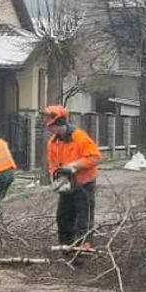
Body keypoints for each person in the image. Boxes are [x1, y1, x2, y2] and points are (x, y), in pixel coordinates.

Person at [44, 105, 102, 250]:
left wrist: (74, 166)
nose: (49, 129)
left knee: (84, 216)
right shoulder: (52, 143)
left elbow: (95, 157)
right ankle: (66, 246)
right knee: (63, 216)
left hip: (84, 183)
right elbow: (53, 164)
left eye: (51, 126)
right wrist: (56, 178)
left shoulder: (79, 137)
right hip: (66, 184)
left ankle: (84, 246)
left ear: (59, 123)